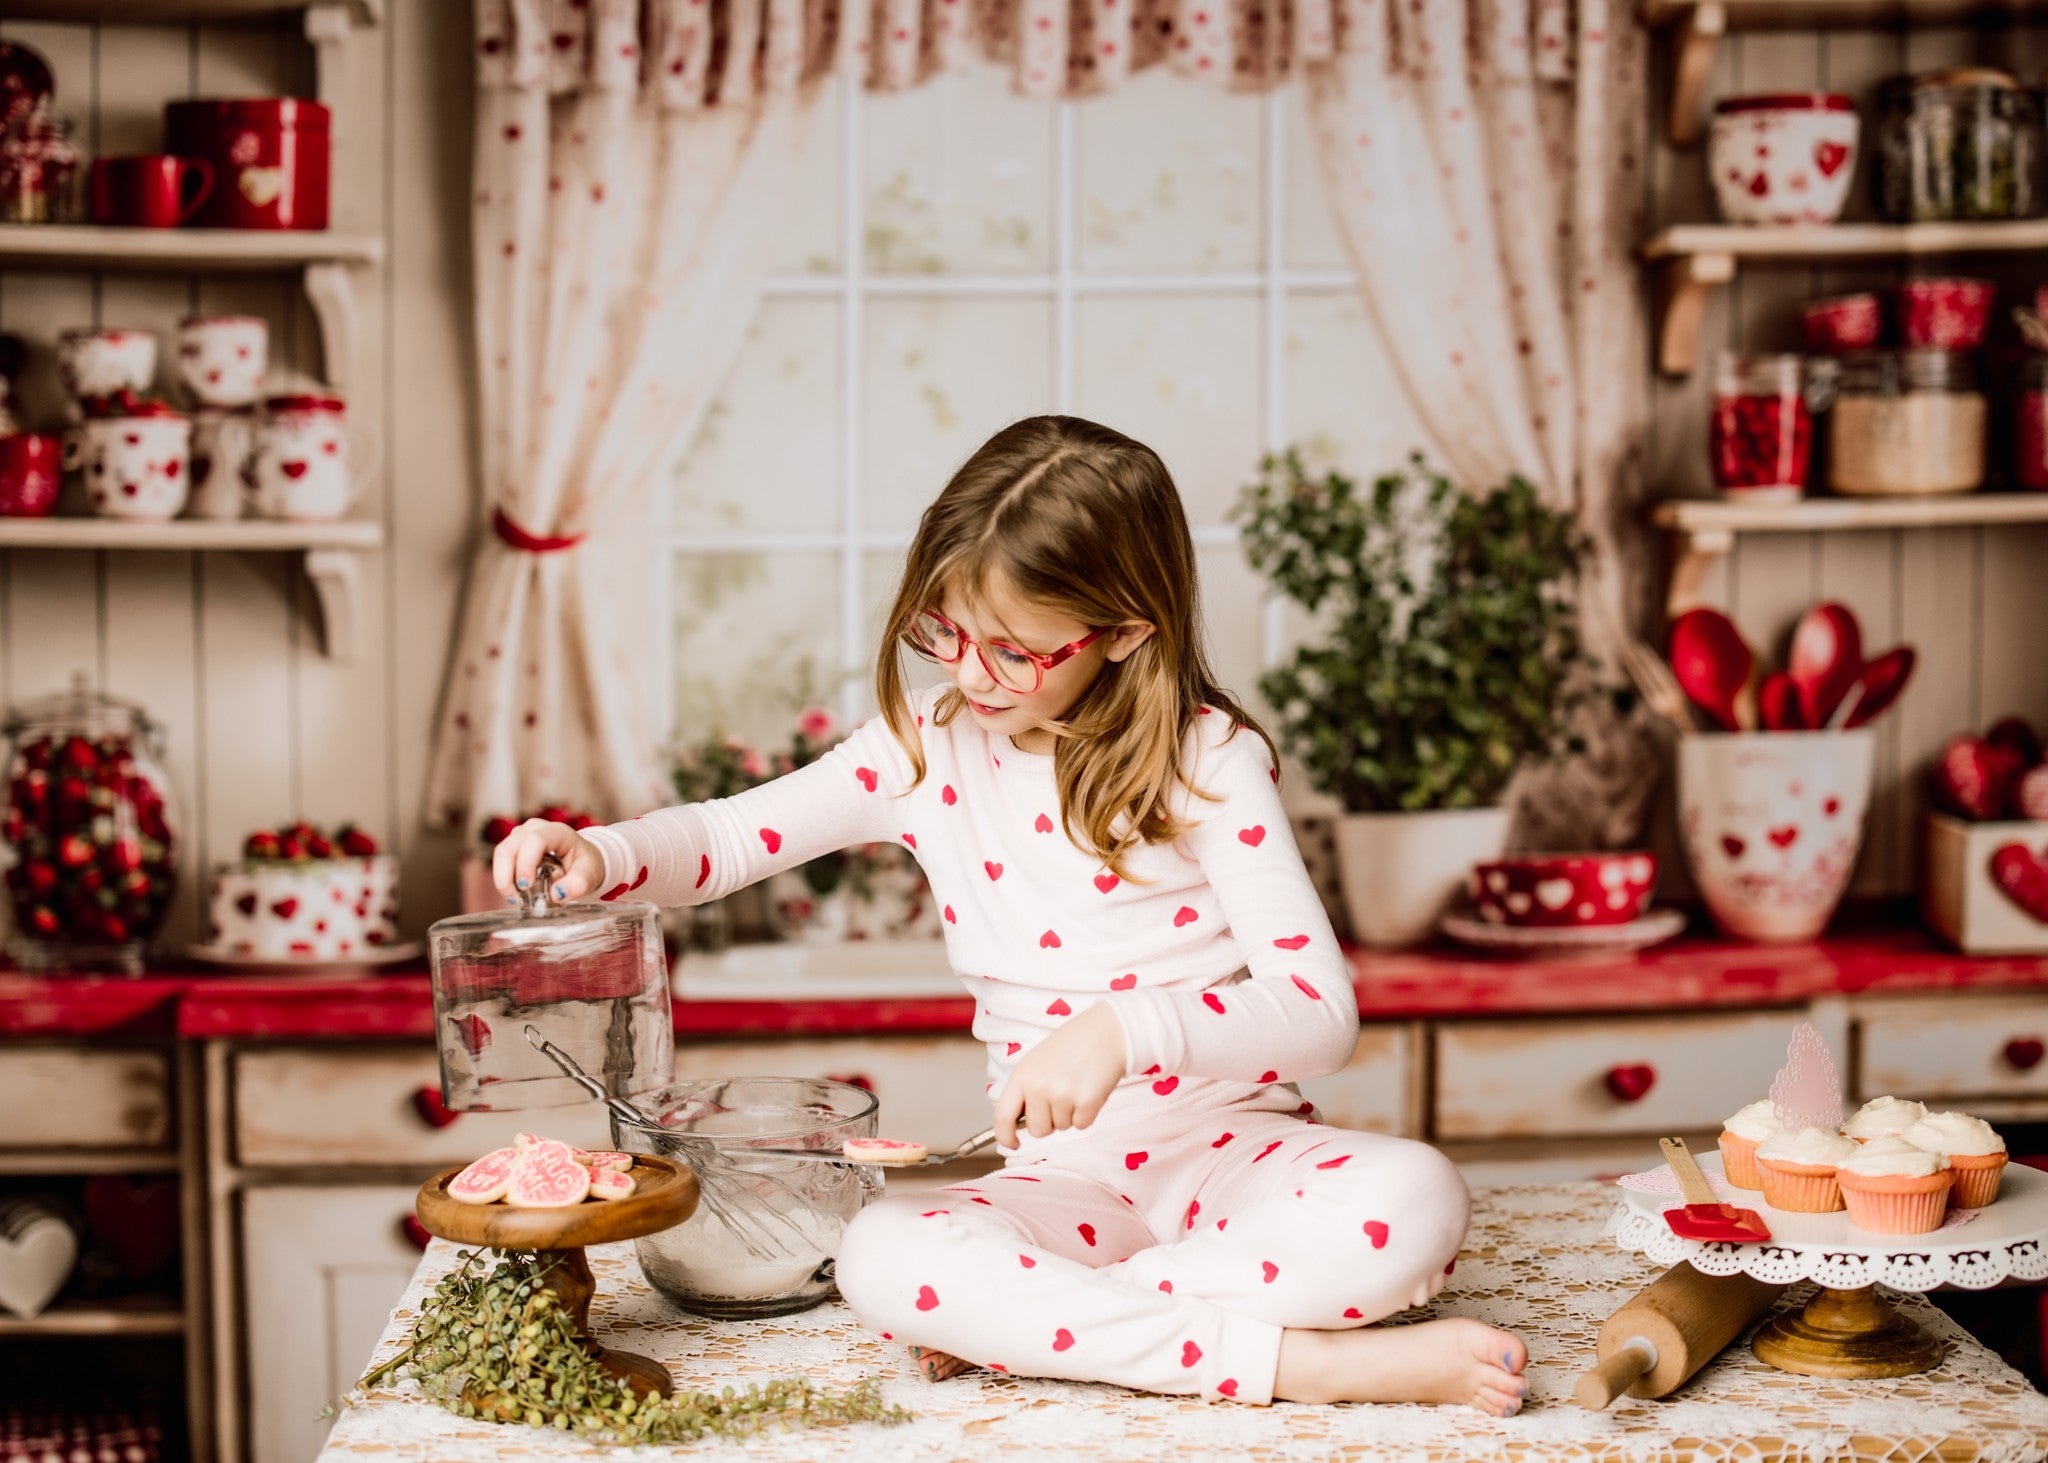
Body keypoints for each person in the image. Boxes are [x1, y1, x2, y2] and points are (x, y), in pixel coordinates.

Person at [491, 415, 1529, 1414]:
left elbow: (1318, 1011)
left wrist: (1126, 1027)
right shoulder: (922, 749)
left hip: (1232, 1156)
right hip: (1059, 1185)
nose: (966, 673)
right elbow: (723, 840)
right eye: (942, 630)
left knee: (1415, 1196)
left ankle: (1043, 1324)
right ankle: (1300, 1364)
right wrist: (605, 852)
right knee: (879, 1252)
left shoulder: (1207, 760)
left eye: (1014, 649)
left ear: (1125, 629)